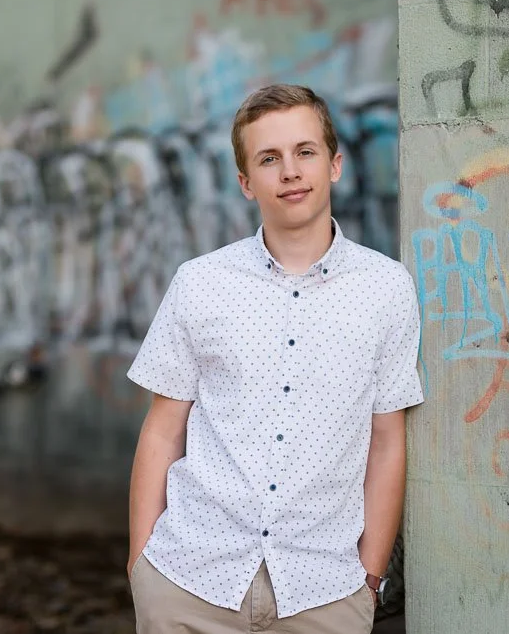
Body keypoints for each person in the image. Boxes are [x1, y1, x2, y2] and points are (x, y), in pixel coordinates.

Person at [125, 83, 423, 634]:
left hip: (325, 596)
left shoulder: (386, 288)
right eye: (269, 159)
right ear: (246, 182)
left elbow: (387, 440)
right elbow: (163, 429)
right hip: (188, 585)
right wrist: (140, 565)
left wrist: (369, 579)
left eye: (305, 152)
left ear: (334, 165)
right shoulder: (200, 283)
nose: (290, 171)